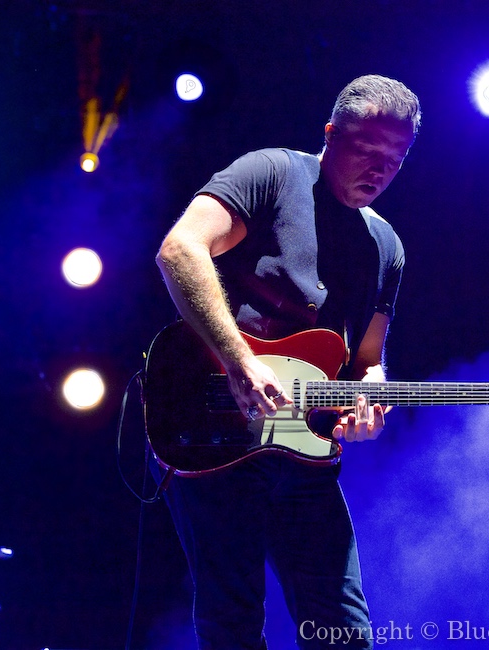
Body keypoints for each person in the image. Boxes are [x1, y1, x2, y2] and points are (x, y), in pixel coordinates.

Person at [155, 74, 421, 649]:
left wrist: (372, 397)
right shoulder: (271, 173)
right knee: (234, 618)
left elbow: (368, 360)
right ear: (331, 135)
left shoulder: (387, 247)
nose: (378, 170)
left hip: (305, 451)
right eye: (365, 151)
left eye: (394, 160)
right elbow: (180, 248)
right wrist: (237, 358)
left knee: (344, 629)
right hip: (213, 425)